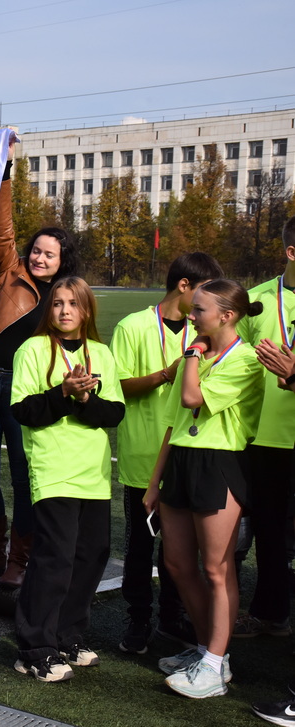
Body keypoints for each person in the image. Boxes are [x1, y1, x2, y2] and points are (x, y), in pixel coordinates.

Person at [0, 158, 84, 589]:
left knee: (22, 477)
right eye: (36, 250)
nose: (39, 258)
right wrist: (4, 174)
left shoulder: (67, 297)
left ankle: (19, 558)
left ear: (62, 260)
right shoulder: (11, 271)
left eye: (49, 254)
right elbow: (4, 230)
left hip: (24, 391)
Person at [144, 279, 264, 699]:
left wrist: (193, 356)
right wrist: (154, 482)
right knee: (177, 564)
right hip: (181, 460)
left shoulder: (246, 360)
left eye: (198, 310)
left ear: (226, 316)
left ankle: (214, 665)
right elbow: (175, 422)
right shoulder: (195, 356)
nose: (190, 315)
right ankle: (206, 652)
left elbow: (192, 399)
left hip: (219, 464)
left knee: (217, 568)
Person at [11, 276, 124, 682]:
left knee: (91, 555)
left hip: (93, 473)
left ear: (87, 310)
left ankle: (67, 636)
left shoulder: (102, 354)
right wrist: (62, 393)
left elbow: (114, 414)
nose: (64, 310)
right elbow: (23, 410)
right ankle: (34, 649)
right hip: (53, 468)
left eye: (73, 303)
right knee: (54, 558)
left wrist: (84, 398)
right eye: (58, 303)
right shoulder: (32, 349)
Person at [110, 252, 222, 653]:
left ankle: (172, 618)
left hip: (188, 454)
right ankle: (138, 619)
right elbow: (117, 386)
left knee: (181, 550)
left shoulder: (205, 330)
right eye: (205, 290)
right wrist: (165, 374)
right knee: (140, 547)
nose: (208, 301)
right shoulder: (132, 326)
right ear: (184, 285)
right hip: (143, 454)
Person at [232, 227, 295, 641]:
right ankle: (271, 614)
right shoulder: (256, 300)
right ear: (291, 251)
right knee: (268, 533)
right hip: (263, 438)